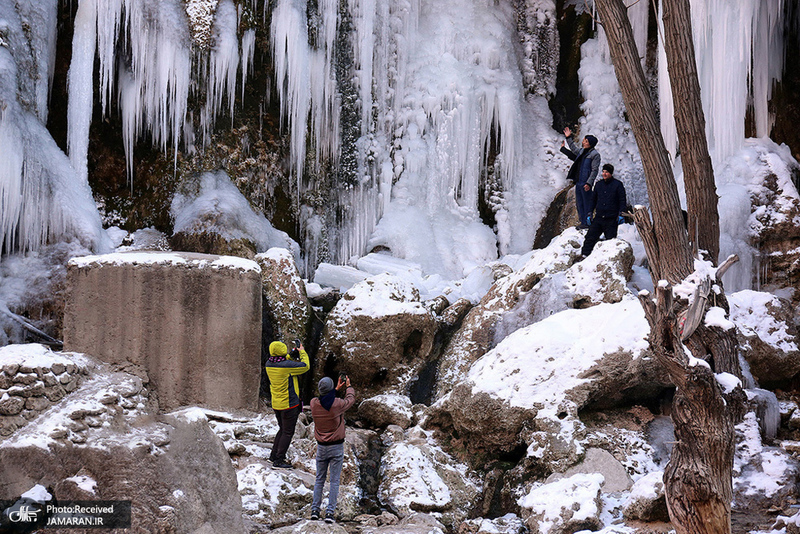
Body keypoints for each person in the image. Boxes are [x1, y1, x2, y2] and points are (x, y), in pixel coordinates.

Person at [309, 374, 356, 524]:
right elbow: (350, 400)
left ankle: (315, 510)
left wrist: (334, 389)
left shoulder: (314, 403)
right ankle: (330, 513)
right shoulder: (338, 405)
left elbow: (325, 400)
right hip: (336, 447)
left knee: (319, 480)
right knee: (334, 481)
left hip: (321, 447)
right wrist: (348, 387)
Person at [265, 340, 309, 468]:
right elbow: (305, 366)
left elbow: (283, 361)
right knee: (288, 432)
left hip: (276, 404)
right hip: (289, 405)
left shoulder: (269, 363)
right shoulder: (286, 366)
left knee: (282, 430)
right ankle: (279, 460)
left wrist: (291, 354)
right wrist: (302, 352)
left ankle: (273, 456)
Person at [581, 163, 627, 257]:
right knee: (590, 238)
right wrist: (589, 213)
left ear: (611, 173)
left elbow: (622, 200)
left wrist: (621, 214)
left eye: (606, 172)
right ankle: (584, 256)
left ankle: (608, 261)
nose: (604, 174)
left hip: (611, 219)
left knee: (610, 242)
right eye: (603, 171)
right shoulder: (598, 184)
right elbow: (593, 200)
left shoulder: (617, 185)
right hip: (599, 218)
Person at [560, 126, 601, 229]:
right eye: (584, 140)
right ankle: (583, 222)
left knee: (587, 203)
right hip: (578, 181)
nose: (583, 142)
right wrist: (568, 137)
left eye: (585, 141)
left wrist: (589, 183)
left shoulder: (595, 155)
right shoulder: (582, 151)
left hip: (585, 182)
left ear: (590, 144)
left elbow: (594, 170)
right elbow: (573, 149)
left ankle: (588, 223)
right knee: (579, 203)